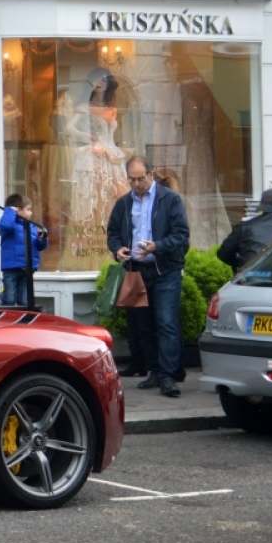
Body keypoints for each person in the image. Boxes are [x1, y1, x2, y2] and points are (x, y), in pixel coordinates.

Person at [106, 155, 191, 397]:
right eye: (132, 179)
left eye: (141, 179)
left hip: (165, 270)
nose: (136, 184)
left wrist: (158, 246)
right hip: (137, 271)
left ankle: (168, 376)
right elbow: (112, 232)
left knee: (166, 323)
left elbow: (181, 234)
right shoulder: (124, 203)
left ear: (151, 175)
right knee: (144, 326)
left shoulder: (170, 199)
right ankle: (154, 371)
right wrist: (117, 248)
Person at [0, 194, 48, 306]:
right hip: (11, 268)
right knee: (10, 300)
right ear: (19, 210)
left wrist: (42, 239)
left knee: (24, 301)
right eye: (28, 210)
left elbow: (40, 247)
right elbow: (5, 226)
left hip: (28, 268)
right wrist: (10, 211)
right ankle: (3, 296)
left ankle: (23, 322)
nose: (31, 213)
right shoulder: (10, 225)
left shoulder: (32, 227)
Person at [217, 188, 272, 272]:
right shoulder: (245, 226)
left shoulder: (245, 226)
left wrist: (243, 264)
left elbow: (224, 253)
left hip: (251, 278)